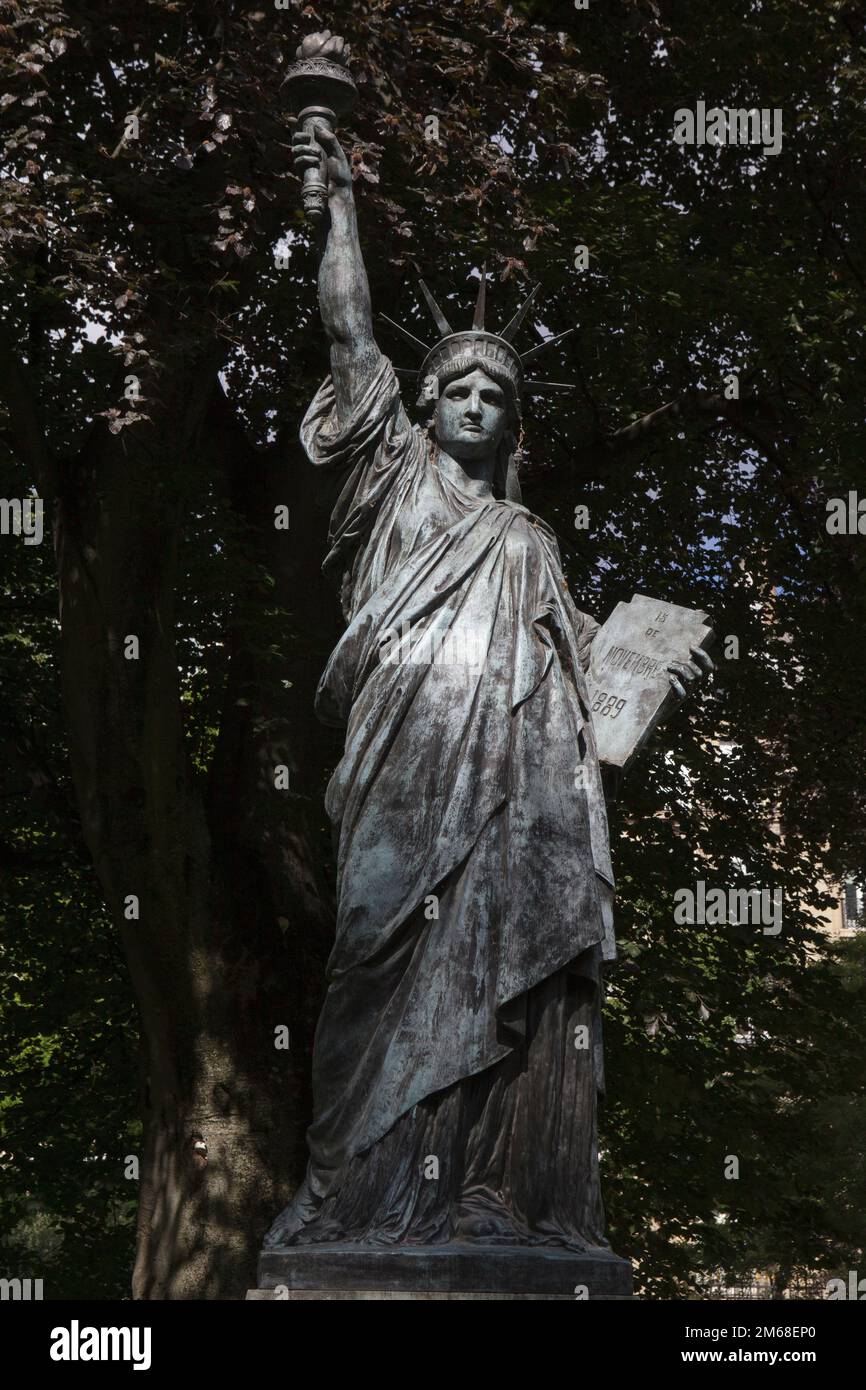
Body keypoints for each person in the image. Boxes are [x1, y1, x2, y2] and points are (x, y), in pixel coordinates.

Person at [263, 121, 709, 1250]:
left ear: (512, 420)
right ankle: (351, 1198)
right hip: (403, 756)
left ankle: (491, 1192)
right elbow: (348, 329)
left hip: (518, 794)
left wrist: (650, 661)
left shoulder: (527, 538)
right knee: (371, 945)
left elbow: (587, 677)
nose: (471, 404)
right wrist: (340, 211)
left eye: (492, 395)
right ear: (422, 409)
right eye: (453, 388)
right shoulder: (396, 476)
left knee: (520, 966)